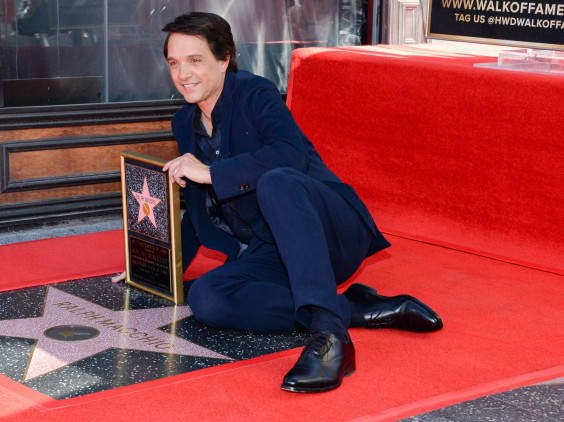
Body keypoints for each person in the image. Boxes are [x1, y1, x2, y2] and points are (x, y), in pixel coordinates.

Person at [115, 11, 442, 393]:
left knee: (277, 181)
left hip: (324, 231)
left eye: (195, 60)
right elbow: (197, 203)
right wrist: (157, 265)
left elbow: (290, 156)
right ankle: (353, 308)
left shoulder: (254, 93)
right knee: (208, 299)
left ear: (224, 60)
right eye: (174, 62)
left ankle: (330, 337)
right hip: (268, 248)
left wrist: (214, 173)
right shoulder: (183, 122)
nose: (182, 73)